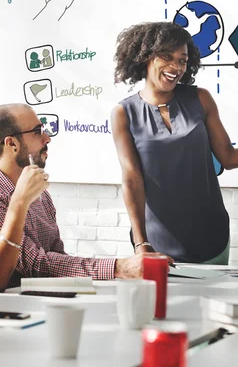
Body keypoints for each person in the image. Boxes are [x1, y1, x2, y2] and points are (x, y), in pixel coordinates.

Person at [111, 22, 238, 264]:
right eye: (167, 57)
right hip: (156, 242)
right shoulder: (123, 113)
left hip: (211, 237)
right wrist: (141, 244)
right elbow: (132, 180)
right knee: (163, 303)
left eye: (182, 60)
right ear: (145, 57)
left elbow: (227, 158)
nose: (176, 67)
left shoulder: (200, 99)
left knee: (214, 302)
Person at [0, 103, 163, 289]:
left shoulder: (41, 196)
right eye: (37, 131)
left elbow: (55, 263)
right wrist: (119, 268)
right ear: (11, 143)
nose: (47, 138)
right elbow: (37, 264)